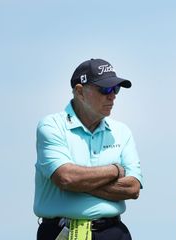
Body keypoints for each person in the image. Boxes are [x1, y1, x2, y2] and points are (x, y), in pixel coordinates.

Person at [34, 58, 143, 240]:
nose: (112, 95)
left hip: (112, 231)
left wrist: (78, 183)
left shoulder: (122, 131)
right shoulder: (51, 126)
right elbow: (66, 177)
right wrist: (115, 170)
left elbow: (132, 188)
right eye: (105, 89)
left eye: (116, 89)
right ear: (80, 92)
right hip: (61, 231)